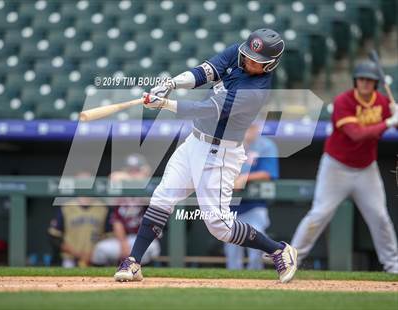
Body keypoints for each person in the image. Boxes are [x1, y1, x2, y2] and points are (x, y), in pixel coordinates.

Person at [115, 28, 298, 283]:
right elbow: (205, 72)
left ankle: (279, 249)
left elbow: (207, 111)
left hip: (220, 154)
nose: (249, 61)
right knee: (163, 196)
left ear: (270, 66)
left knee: (219, 227)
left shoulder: (255, 91)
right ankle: (133, 262)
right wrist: (172, 83)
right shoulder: (239, 52)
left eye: (258, 61)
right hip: (194, 143)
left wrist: (165, 104)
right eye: (248, 55)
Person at [289, 60, 398, 273]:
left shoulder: (383, 103)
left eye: (370, 80)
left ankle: (393, 266)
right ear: (355, 81)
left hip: (367, 169)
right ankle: (291, 259)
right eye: (362, 79)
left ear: (376, 83)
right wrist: (389, 122)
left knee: (380, 217)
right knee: (319, 214)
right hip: (336, 167)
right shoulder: (343, 101)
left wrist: (395, 114)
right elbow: (356, 134)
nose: (365, 83)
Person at [225, 123, 279, 270]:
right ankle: (233, 284)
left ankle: (255, 280)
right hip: (230, 205)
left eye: (252, 127)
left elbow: (269, 173)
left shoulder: (265, 145)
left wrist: (245, 177)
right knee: (231, 249)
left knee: (256, 247)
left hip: (255, 205)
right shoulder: (229, 144)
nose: (248, 131)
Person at [91, 154, 160, 265]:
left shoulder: (149, 187)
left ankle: (137, 268)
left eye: (136, 170)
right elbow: (113, 177)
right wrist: (123, 243)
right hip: (120, 240)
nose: (133, 173)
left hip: (140, 238)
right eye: (130, 171)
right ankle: (105, 276)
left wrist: (142, 177)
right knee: (100, 250)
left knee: (153, 248)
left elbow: (149, 186)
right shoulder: (119, 190)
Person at [48, 173, 113, 268]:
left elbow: (109, 236)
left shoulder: (103, 208)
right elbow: (54, 237)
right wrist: (76, 253)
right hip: (70, 259)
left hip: (96, 258)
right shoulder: (66, 207)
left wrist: (93, 253)